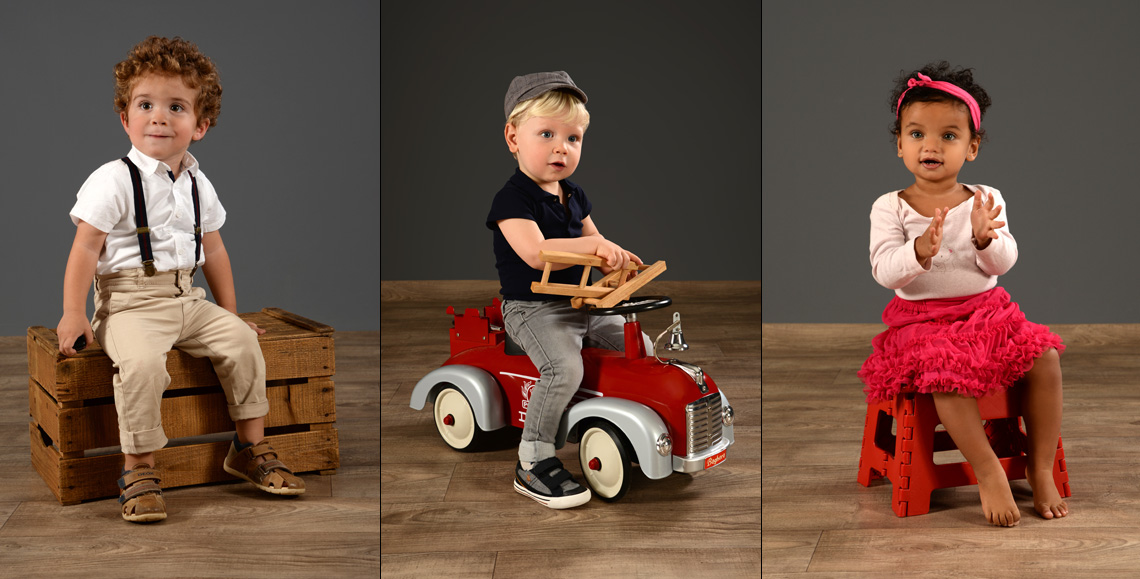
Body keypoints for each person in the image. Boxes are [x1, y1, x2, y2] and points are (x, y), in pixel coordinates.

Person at [57, 36, 304, 523]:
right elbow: (85, 247)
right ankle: (139, 469)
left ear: (201, 125)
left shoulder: (197, 181)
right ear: (125, 118)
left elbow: (213, 249)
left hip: (185, 296)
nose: (159, 117)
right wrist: (73, 311)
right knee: (144, 365)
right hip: (128, 303)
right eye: (145, 104)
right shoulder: (113, 179)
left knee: (240, 343)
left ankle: (248, 448)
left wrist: (229, 313)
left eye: (176, 107)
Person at [857, 61, 1069, 527]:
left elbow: (1003, 263)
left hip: (988, 314)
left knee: (1045, 358)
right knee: (945, 373)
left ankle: (1038, 466)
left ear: (971, 148)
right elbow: (884, 270)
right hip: (923, 323)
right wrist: (918, 250)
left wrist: (984, 239)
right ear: (899, 145)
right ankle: (989, 470)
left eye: (948, 136)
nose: (930, 145)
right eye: (916, 134)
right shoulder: (889, 207)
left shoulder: (985, 199)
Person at [486, 71, 644, 509]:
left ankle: (616, 429)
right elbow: (537, 253)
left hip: (582, 303)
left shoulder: (573, 195)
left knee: (640, 348)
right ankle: (533, 459)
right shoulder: (511, 200)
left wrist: (617, 256)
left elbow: (597, 242)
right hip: (533, 309)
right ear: (513, 136)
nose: (561, 147)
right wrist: (592, 245)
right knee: (563, 369)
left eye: (573, 138)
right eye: (547, 134)